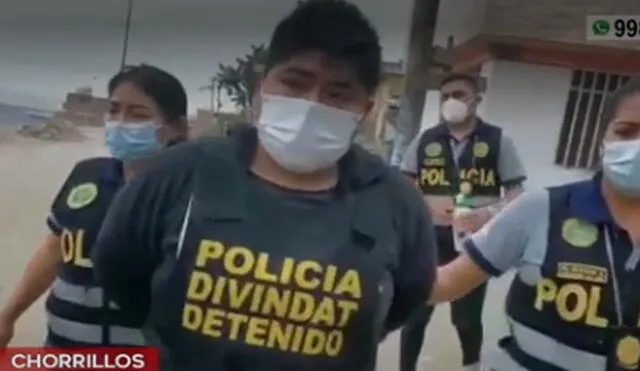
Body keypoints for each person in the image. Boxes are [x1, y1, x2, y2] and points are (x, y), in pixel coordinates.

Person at [91, 1, 437, 370]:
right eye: (295, 82)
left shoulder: (395, 203)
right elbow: (120, 270)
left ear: (364, 110)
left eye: (338, 93)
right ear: (261, 88)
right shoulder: (179, 174)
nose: (311, 104)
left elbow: (406, 298)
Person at [430, 78, 640, 370]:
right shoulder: (541, 209)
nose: (636, 148)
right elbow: (446, 283)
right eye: (625, 132)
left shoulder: (498, 142)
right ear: (602, 138)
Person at [0, 64, 189, 347]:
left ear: (176, 128)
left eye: (138, 115)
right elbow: (55, 248)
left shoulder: (189, 191)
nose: (121, 122)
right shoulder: (87, 175)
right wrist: (8, 315)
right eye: (114, 110)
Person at [399, 72, 527, 371]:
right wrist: (422, 204)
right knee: (417, 313)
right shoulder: (426, 139)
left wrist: (487, 214)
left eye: (459, 95)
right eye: (445, 96)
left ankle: (471, 366)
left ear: (476, 100)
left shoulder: (497, 140)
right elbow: (405, 181)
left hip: (474, 241)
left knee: (466, 317)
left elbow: (516, 192)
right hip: (429, 238)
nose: (451, 102)